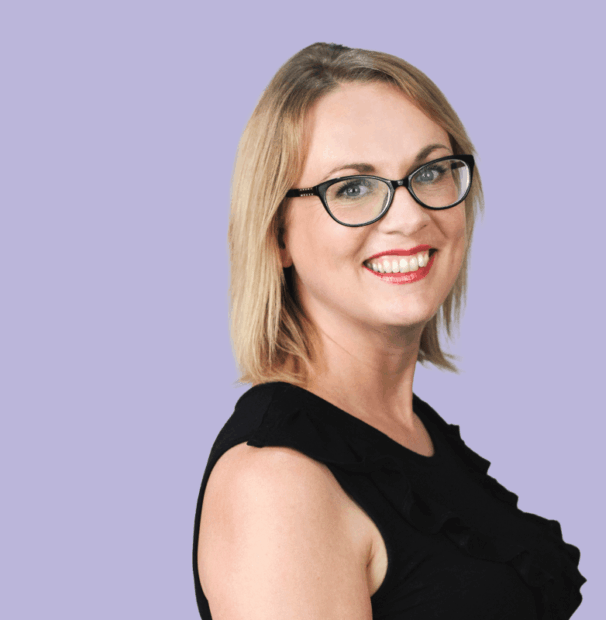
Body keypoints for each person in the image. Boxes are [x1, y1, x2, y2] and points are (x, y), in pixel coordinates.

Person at [192, 42, 585, 619]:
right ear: (277, 236)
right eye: (351, 187)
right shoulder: (279, 482)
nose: (409, 216)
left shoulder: (412, 434)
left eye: (429, 172)